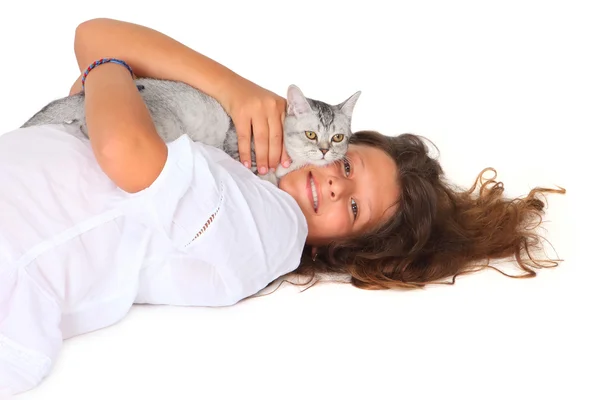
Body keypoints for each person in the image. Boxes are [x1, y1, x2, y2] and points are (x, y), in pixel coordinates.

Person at [0, 18, 564, 395]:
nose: (336, 185)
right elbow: (93, 31)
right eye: (348, 165)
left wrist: (106, 74)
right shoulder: (230, 164)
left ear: (341, 246)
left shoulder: (271, 231)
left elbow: (122, 140)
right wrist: (237, 89)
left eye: (356, 207)